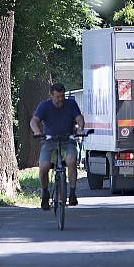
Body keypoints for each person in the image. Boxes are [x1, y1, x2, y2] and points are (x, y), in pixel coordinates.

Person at [30, 82, 85, 210]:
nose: (60, 100)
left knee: (71, 161)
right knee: (43, 167)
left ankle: (72, 193)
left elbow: (79, 117)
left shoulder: (71, 104)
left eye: (62, 96)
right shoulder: (44, 106)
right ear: (51, 96)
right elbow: (34, 121)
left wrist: (81, 128)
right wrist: (37, 132)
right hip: (49, 142)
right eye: (57, 97)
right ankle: (45, 192)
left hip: (68, 140)